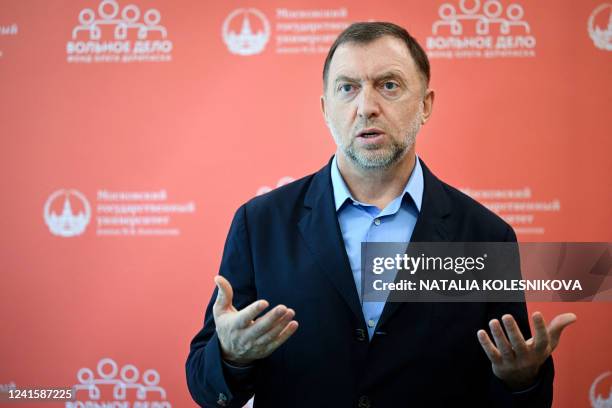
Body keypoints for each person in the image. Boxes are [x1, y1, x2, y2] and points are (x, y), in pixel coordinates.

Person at [186, 22, 576, 407]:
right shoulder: (261, 225)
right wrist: (232, 355)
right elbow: (205, 385)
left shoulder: (485, 235)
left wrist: (521, 381)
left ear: (425, 105)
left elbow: (510, 379)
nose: (366, 107)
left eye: (389, 85)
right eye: (347, 88)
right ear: (326, 109)